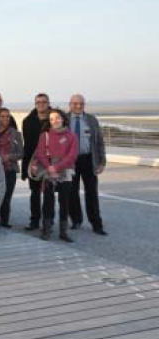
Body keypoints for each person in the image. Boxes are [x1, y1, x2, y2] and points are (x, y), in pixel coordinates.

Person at [34, 109, 78, 242]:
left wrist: (57, 167)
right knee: (48, 202)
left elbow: (72, 156)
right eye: (52, 119)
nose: (55, 121)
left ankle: (63, 232)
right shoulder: (44, 135)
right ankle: (46, 230)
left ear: (63, 118)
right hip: (48, 172)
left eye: (57, 118)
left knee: (64, 202)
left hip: (66, 171)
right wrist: (49, 168)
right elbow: (41, 154)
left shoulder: (72, 136)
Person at [68, 94, 107, 235]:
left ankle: (97, 224)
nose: (78, 106)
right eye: (75, 103)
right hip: (70, 161)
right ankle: (76, 220)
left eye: (81, 104)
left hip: (88, 160)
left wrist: (102, 161)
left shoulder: (91, 120)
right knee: (72, 193)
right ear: (70, 104)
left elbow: (99, 142)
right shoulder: (64, 119)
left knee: (92, 193)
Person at [21, 93, 51, 231]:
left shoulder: (55, 119)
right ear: (35, 104)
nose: (41, 104)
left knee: (49, 193)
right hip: (33, 163)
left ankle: (48, 221)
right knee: (34, 193)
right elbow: (26, 146)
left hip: (51, 162)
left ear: (48, 103)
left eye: (44, 102)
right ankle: (34, 221)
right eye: (38, 102)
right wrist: (24, 169)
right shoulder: (27, 121)